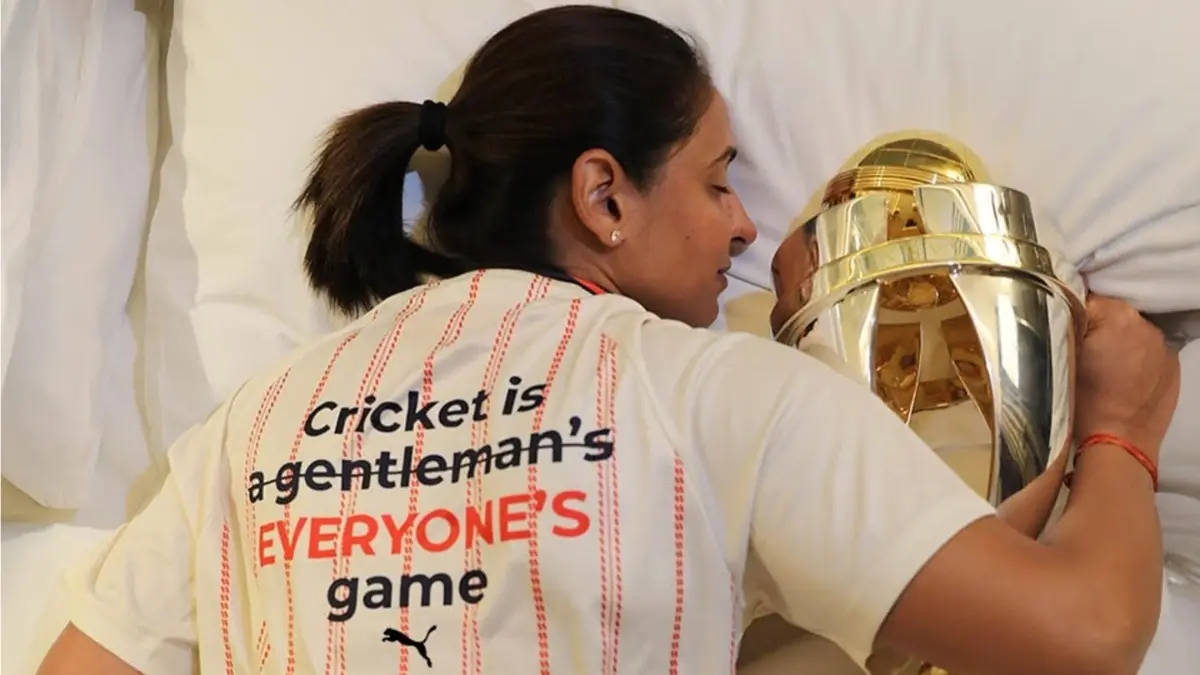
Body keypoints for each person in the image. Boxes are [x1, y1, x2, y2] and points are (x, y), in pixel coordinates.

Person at [37, 5, 1179, 675]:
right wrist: (1123, 429)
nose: (742, 223)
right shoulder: (711, 399)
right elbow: (1076, 633)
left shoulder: (256, 424)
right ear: (604, 196)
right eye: (719, 180)